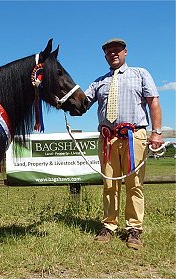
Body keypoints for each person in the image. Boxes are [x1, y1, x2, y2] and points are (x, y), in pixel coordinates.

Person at [84, 38, 163, 249]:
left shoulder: (141, 74)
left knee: (134, 184)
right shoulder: (98, 82)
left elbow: (153, 101)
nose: (113, 54)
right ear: (105, 56)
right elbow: (83, 102)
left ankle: (134, 229)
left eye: (117, 50)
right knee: (110, 184)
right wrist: (61, 97)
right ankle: (109, 226)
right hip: (108, 139)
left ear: (125, 52)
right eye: (109, 52)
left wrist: (156, 132)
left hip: (134, 136)